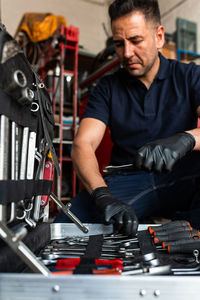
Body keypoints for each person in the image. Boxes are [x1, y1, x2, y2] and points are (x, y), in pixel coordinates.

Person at [56, 0, 200, 235]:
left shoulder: (190, 76)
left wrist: (185, 140)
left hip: (183, 177)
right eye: (119, 44)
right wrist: (102, 196)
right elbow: (83, 144)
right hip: (129, 180)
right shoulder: (108, 88)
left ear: (159, 37)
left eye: (135, 41)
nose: (127, 53)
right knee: (66, 226)